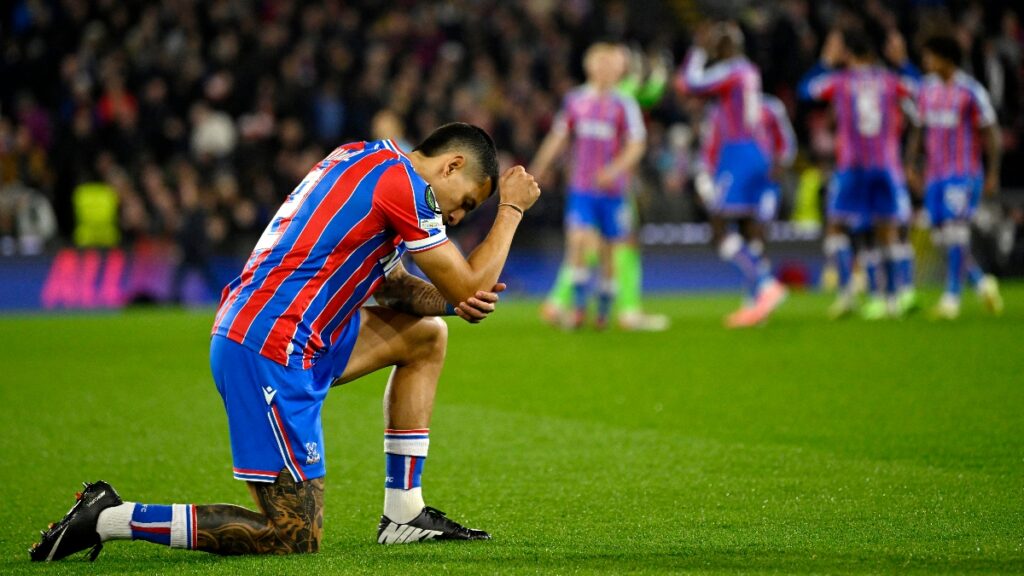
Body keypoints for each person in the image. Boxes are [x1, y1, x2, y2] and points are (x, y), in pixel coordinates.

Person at [30, 122, 541, 561]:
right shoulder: (403, 185)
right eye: (466, 204)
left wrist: (457, 298)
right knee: (292, 535)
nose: (457, 218)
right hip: (270, 346)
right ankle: (110, 517)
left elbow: (395, 287)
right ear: (451, 166)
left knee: (427, 337)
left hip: (303, 334)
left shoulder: (365, 159)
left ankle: (404, 513)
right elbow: (470, 283)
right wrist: (510, 211)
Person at [538, 44, 670, 331]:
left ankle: (604, 312)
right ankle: (578, 309)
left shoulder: (625, 102)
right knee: (578, 242)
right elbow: (558, 136)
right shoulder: (575, 100)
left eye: (614, 65)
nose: (608, 69)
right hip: (582, 189)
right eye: (602, 64)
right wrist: (537, 167)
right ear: (590, 67)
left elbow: (637, 143)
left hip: (615, 191)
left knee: (612, 250)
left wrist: (614, 170)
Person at [800, 29, 916, 319]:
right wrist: (902, 62)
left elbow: (806, 89)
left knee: (838, 226)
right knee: (887, 230)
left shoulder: (841, 81)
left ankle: (849, 294)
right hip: (886, 165)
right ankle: (891, 299)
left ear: (847, 53)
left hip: (852, 166)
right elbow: (920, 88)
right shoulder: (890, 80)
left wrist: (826, 60)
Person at [677, 22, 788, 328]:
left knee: (718, 226)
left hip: (738, 153)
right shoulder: (749, 71)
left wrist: (698, 50)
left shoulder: (734, 70)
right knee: (749, 229)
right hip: (756, 151)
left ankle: (765, 284)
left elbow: (691, 83)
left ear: (724, 47)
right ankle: (755, 305)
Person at [906, 34, 1004, 319]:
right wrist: (911, 163)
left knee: (956, 231)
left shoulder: (970, 91)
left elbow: (992, 132)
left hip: (963, 173)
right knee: (941, 237)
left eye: (930, 56)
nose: (926, 62)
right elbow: (918, 128)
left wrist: (994, 171)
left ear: (946, 59)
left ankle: (952, 298)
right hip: (935, 174)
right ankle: (981, 281)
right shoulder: (925, 90)